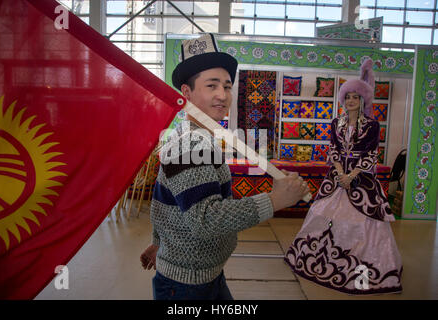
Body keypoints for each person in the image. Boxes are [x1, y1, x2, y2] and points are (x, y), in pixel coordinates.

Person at [140, 33, 310, 300]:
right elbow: (206, 219)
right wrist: (275, 200)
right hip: (187, 287)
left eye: (227, 86)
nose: (223, 95)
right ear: (187, 93)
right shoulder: (190, 145)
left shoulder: (199, 136)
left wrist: (159, 244)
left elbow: (166, 198)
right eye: (211, 86)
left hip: (204, 276)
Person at [284, 58, 403, 295]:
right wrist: (340, 173)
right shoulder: (335, 122)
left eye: (355, 97)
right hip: (337, 177)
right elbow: (334, 149)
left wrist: (353, 175)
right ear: (343, 99)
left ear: (363, 100)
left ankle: (361, 267)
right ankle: (317, 260)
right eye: (347, 96)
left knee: (361, 222)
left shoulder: (372, 125)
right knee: (321, 212)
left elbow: (371, 154)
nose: (350, 101)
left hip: (362, 180)